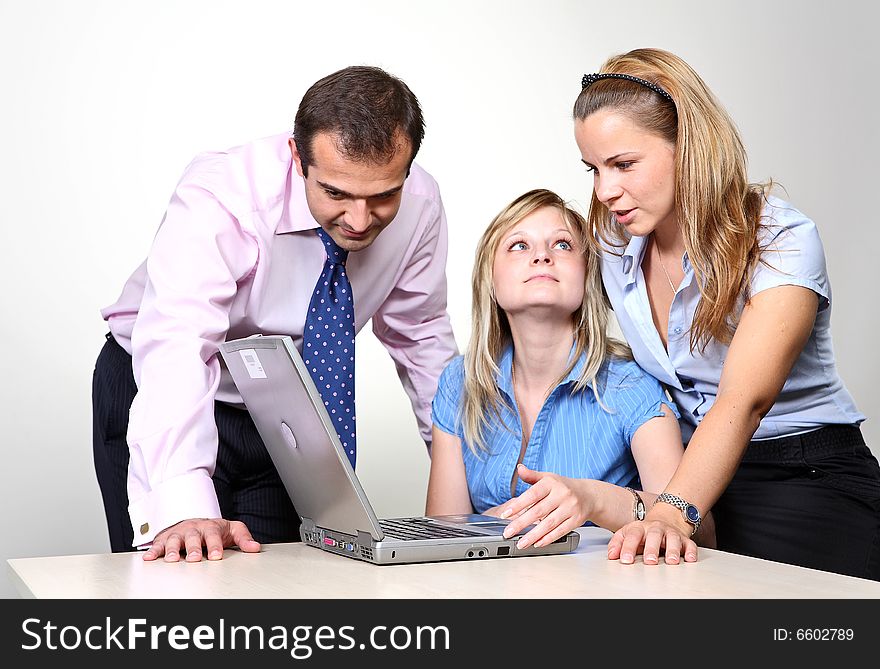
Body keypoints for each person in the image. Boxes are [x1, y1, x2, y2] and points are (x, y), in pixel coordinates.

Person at [93, 65, 458, 562]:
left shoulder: (420, 204)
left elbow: (420, 337)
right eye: (335, 193)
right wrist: (182, 504)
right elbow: (178, 343)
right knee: (179, 580)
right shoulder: (221, 195)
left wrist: (465, 468)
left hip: (280, 405)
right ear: (296, 157)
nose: (358, 221)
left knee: (282, 580)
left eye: (382, 196)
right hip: (161, 384)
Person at [572, 48, 880, 580]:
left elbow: (743, 402)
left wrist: (670, 511)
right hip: (689, 482)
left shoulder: (780, 239)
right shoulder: (614, 243)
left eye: (623, 164)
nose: (605, 191)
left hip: (802, 477)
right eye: (594, 169)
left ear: (688, 146)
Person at [426, 189, 712, 562]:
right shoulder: (458, 383)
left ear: (587, 275)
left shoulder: (631, 385)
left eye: (562, 245)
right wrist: (490, 527)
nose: (542, 256)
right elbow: (437, 540)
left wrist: (593, 500)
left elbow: (702, 531)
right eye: (518, 246)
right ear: (490, 281)